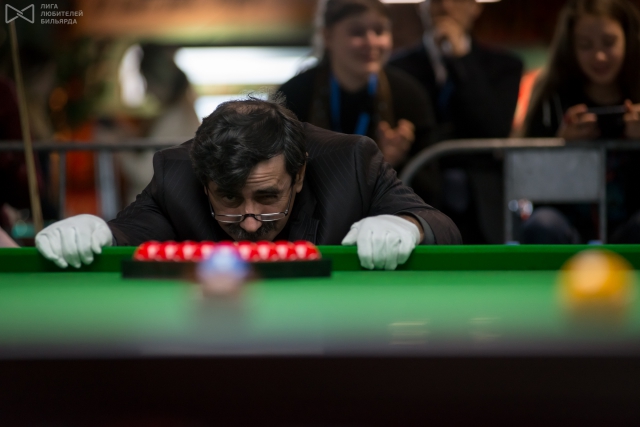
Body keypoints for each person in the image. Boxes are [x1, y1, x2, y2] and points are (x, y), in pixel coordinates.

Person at [35, 98, 462, 271]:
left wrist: (407, 224)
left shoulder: (350, 162)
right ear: (204, 183)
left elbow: (441, 226)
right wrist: (96, 229)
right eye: (229, 198)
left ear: (299, 175)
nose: (252, 222)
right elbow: (132, 230)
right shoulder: (176, 174)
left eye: (267, 196)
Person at [389, 0, 524, 244]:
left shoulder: (505, 65)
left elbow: (494, 128)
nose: (446, 7)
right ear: (421, 7)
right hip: (418, 195)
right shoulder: (395, 68)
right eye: (436, 0)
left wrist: (461, 59)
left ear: (476, 7)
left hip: (485, 206)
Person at [522, 0, 640, 244]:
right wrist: (561, 145)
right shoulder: (551, 98)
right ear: (571, 47)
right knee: (542, 224)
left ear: (628, 40)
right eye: (586, 45)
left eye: (609, 42)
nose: (599, 56)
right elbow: (527, 181)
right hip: (567, 227)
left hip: (630, 224)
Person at [278, 0, 435, 170]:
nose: (371, 42)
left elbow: (428, 180)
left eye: (379, 31)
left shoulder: (409, 96)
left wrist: (390, 165)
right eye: (357, 32)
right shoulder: (293, 96)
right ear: (327, 36)